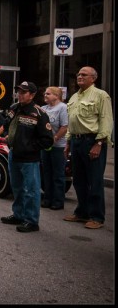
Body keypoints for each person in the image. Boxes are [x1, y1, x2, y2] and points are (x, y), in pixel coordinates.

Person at [63, 66, 113, 229]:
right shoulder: (74, 97)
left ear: (93, 78)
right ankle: (82, 212)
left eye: (84, 74)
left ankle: (97, 217)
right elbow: (72, 121)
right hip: (77, 142)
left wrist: (99, 143)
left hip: (92, 141)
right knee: (79, 180)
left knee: (95, 180)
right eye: (78, 74)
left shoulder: (101, 95)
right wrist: (68, 142)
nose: (80, 76)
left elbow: (106, 121)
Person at [0, 81, 54, 232]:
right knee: (17, 187)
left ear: (32, 94)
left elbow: (47, 139)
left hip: (29, 159)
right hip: (13, 155)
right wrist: (7, 136)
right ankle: (18, 214)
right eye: (19, 91)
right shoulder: (14, 108)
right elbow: (6, 124)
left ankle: (31, 221)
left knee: (31, 190)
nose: (20, 94)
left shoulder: (39, 113)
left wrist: (29, 148)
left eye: (24, 92)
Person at [40, 86, 68, 210]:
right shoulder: (43, 109)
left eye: (48, 94)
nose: (45, 95)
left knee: (58, 174)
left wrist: (54, 139)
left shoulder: (63, 108)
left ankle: (58, 201)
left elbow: (64, 127)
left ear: (57, 96)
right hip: (45, 147)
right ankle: (47, 198)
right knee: (46, 173)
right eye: (45, 94)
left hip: (58, 146)